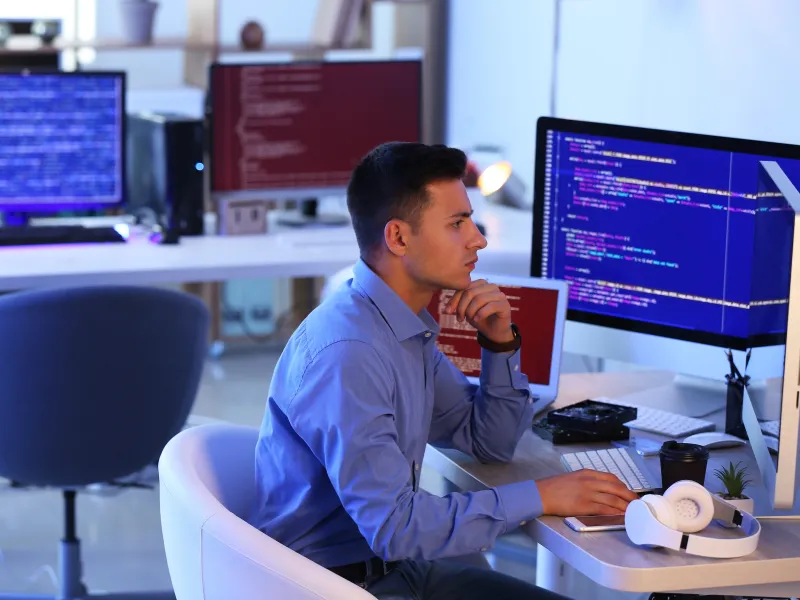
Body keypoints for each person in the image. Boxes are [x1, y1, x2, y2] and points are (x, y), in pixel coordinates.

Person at [251, 142, 638, 599]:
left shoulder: (401, 329)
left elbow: (488, 443)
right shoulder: (351, 354)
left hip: (392, 569)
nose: (479, 239)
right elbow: (395, 527)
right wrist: (544, 495)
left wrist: (499, 344)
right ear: (398, 238)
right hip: (335, 587)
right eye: (457, 223)